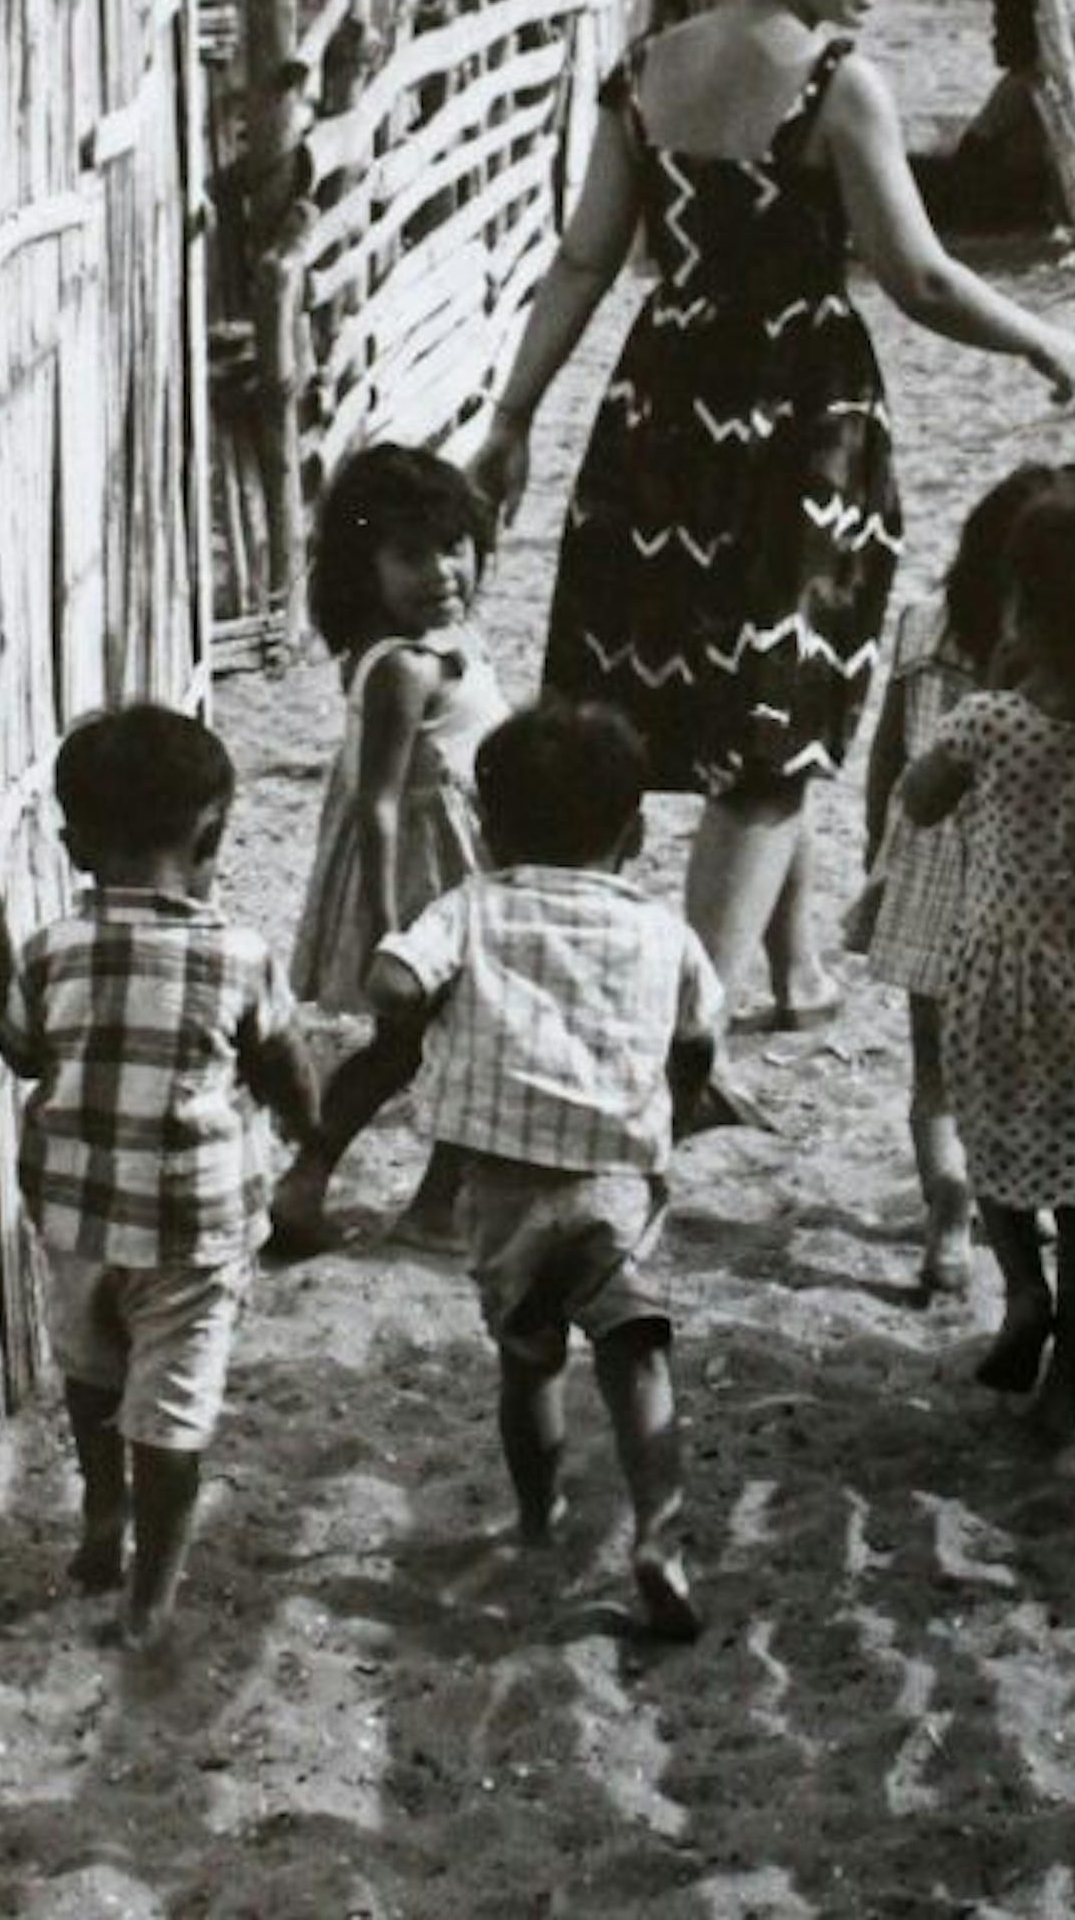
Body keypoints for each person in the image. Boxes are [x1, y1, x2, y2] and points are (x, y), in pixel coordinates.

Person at [467, 0, 1075, 1023]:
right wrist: (1044, 339)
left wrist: (513, 415)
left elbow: (587, 257)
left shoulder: (644, 71)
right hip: (798, 419)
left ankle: (796, 973)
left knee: (748, 696)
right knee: (772, 733)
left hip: (659, 415)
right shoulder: (834, 81)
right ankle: (679, 1033)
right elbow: (921, 279)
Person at [0, 709, 315, 1654]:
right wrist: (309, 1126)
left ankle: (99, 1514)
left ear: (74, 841)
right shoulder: (240, 956)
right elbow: (284, 1063)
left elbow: (22, 1051)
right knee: (171, 1410)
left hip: (77, 1215)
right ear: (211, 833)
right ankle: (151, 1594)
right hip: (193, 1231)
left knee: (90, 1375)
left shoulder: (52, 948)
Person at [365, 698, 724, 1639]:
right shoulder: (662, 929)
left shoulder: (472, 905)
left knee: (529, 1365)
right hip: (614, 1178)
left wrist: (413, 1027)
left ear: (486, 828)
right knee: (636, 1352)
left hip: (500, 1190)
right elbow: (698, 1035)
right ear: (637, 830)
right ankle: (657, 1529)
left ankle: (538, 1517)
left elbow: (395, 978)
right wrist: (676, 1109)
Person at [902, 485, 1075, 1447]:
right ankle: (1073, 1375)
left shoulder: (987, 721)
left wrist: (986, 697)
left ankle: (1022, 1286)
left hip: (998, 979)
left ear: (1019, 603)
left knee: (997, 1143)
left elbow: (918, 801)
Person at [271, 443, 508, 1255]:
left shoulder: (449, 638)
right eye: (410, 554)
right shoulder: (402, 667)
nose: (441, 570)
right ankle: (406, 1198)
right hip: (424, 875)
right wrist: (387, 926)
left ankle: (311, 1181)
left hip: (464, 856)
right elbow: (375, 804)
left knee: (423, 1045)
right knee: (448, 1039)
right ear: (364, 565)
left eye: (454, 546)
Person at [855, 460, 1075, 1297]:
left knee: (934, 1070)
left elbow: (888, 755)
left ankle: (946, 1221)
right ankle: (1025, 1194)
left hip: (928, 877)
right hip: (1028, 892)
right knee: (1032, 1055)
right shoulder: (1061, 670)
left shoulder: (920, 628)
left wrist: (877, 854)